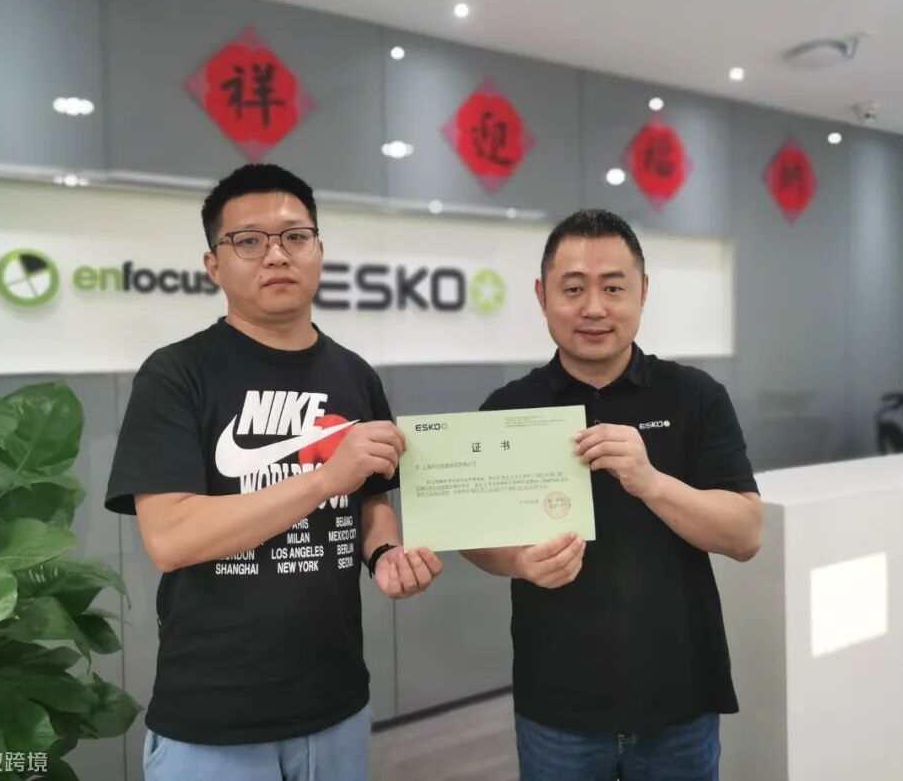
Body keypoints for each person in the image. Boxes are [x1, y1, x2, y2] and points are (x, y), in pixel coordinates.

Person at [105, 163, 442, 781]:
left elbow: (370, 498)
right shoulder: (176, 374)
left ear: (319, 251)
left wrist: (385, 553)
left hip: (338, 704)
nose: (276, 255)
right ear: (214, 265)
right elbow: (171, 537)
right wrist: (322, 479)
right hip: (214, 720)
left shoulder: (355, 374)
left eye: (294, 236)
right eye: (249, 241)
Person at [464, 208, 761, 780]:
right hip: (558, 705)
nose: (594, 308)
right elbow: (475, 538)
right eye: (573, 288)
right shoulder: (508, 409)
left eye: (614, 287)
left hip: (681, 699)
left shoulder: (695, 396)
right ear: (542, 296)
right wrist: (518, 562)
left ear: (643, 292)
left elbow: (745, 535)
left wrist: (652, 482)